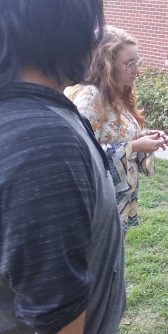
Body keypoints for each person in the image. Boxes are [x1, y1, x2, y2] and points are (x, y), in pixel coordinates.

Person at [0, 1, 126, 333]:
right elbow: (56, 318)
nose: (96, 40)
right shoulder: (40, 140)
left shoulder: (31, 114)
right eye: (94, 25)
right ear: (67, 28)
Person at [65, 26, 168, 233]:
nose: (137, 70)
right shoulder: (90, 98)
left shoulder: (118, 94)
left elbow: (113, 135)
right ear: (106, 65)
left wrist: (144, 138)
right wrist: (134, 146)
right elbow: (80, 156)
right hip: (97, 205)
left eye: (137, 61)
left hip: (117, 200)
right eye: (129, 63)